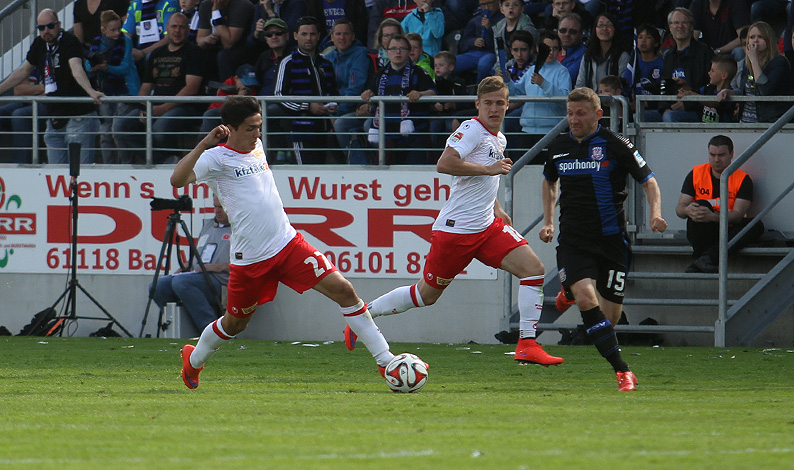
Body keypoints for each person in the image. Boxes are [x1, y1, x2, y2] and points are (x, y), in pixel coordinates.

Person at [172, 95, 396, 389]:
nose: (257, 133)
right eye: (250, 128)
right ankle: (193, 360)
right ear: (230, 129)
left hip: (287, 244)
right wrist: (204, 144)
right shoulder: (215, 158)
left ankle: (386, 361)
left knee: (344, 290)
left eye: (259, 126)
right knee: (235, 323)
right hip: (250, 258)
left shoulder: (257, 146)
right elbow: (177, 180)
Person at [345, 76, 564, 367]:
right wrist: (489, 169)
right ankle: (363, 316)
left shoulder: (499, 138)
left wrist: (496, 207)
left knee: (533, 270)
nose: (494, 109)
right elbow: (445, 163)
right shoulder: (471, 129)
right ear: (477, 105)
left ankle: (527, 345)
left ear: (508, 105)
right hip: (456, 232)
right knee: (425, 295)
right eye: (488, 103)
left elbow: (479, 181)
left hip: (486, 227)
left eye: (500, 103)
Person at [540, 87, 667, 391]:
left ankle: (569, 291)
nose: (574, 119)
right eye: (570, 114)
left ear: (598, 114)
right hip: (574, 240)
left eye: (581, 113)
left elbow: (649, 182)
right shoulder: (558, 146)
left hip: (612, 241)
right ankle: (623, 371)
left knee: (608, 320)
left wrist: (655, 214)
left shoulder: (617, 144)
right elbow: (549, 182)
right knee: (587, 298)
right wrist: (548, 221)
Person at [0, 9, 104, 164]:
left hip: (79, 116)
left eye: (50, 26)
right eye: (41, 28)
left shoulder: (70, 41)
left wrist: (90, 91)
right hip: (55, 117)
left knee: (80, 171)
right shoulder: (39, 44)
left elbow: (76, 67)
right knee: (56, 172)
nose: (46, 31)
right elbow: (24, 70)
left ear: (59, 25)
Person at [114, 12, 204, 164]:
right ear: (167, 28)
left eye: (182, 27)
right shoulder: (156, 53)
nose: (177, 31)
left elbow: (191, 88)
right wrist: (144, 107)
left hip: (185, 106)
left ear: (188, 30)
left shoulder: (194, 52)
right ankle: (165, 161)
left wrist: (162, 109)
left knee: (160, 128)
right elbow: (146, 87)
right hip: (155, 106)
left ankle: (171, 163)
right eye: (174, 27)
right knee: (120, 127)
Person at [675, 135, 765, 273]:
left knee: (756, 225)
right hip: (703, 230)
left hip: (728, 231)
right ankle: (706, 258)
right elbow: (680, 209)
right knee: (700, 204)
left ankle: (705, 259)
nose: (716, 160)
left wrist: (712, 217)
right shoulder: (696, 174)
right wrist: (688, 210)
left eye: (721, 155)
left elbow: (737, 215)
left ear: (731, 155)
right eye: (712, 155)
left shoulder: (742, 179)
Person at [150, 196, 232, 330]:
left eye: (221, 207)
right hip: (198, 276)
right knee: (158, 286)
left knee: (182, 282)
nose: (217, 211)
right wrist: (186, 266)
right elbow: (199, 255)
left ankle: (212, 330)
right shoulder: (208, 225)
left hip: (221, 280)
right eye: (215, 206)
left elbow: (248, 265)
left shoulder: (240, 229)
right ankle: (178, 327)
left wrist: (216, 267)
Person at [359, 34, 437, 164]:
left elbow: (434, 93)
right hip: (387, 135)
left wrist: (421, 94)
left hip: (414, 135)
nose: (398, 52)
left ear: (409, 51)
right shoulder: (380, 74)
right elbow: (371, 93)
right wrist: (368, 94)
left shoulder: (419, 72)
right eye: (393, 48)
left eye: (402, 48)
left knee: (415, 173)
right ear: (387, 51)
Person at [274, 16, 340, 164]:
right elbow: (279, 96)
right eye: (304, 34)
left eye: (312, 34)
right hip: (300, 130)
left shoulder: (326, 63)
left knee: (323, 175)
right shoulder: (288, 63)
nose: (308, 38)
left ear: (318, 36)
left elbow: (334, 92)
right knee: (305, 173)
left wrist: (333, 105)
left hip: (325, 130)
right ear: (295, 36)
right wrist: (308, 106)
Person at [503, 30, 570, 162]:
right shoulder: (531, 70)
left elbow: (566, 99)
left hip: (552, 131)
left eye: (555, 48)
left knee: (550, 170)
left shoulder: (562, 72)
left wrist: (543, 83)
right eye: (547, 48)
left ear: (559, 50)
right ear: (539, 49)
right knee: (526, 170)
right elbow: (517, 92)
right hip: (527, 131)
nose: (551, 52)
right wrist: (508, 81)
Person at [85, 10, 141, 164]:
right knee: (105, 132)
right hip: (105, 91)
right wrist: (94, 64)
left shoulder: (126, 41)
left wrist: (106, 67)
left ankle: (125, 165)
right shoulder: (97, 44)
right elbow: (88, 66)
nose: (117, 33)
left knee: (117, 130)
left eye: (119, 28)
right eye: (113, 30)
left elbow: (124, 68)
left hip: (126, 91)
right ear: (103, 30)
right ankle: (108, 166)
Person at [718, 21, 792, 123]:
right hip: (745, 122)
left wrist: (754, 61)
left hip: (769, 123)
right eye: (752, 37)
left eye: (760, 37)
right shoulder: (748, 64)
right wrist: (730, 92)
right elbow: (750, 90)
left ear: (769, 39)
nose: (755, 40)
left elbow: (764, 90)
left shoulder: (779, 62)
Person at [654, 7, 714, 122]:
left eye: (684, 22)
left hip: (698, 111)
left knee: (670, 117)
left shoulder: (704, 52)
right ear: (670, 28)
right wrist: (664, 108)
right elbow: (664, 86)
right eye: (676, 23)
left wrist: (687, 104)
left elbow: (711, 87)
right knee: (639, 117)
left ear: (691, 27)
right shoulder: (668, 56)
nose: (680, 26)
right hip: (671, 109)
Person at [197, 0, 255, 82]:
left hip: (244, 47)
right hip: (218, 47)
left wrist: (215, 13)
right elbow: (200, 41)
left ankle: (228, 88)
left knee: (224, 56)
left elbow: (228, 44)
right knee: (197, 53)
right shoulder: (206, 5)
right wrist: (207, 39)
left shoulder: (242, 5)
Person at [575, 13, 630, 90]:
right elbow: (580, 83)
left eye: (609, 25)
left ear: (615, 29)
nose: (604, 28)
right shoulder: (588, 55)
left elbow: (624, 84)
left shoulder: (622, 55)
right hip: (590, 97)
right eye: (600, 25)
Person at [200, 64, 260, 134]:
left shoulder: (251, 88)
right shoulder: (226, 86)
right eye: (245, 83)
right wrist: (239, 98)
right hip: (220, 117)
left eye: (251, 84)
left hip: (240, 117)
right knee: (211, 114)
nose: (248, 86)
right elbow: (225, 109)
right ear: (236, 78)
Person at [678, 54, 737, 123]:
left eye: (712, 71)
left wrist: (691, 94)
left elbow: (713, 103)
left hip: (721, 129)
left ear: (724, 75)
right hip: (704, 127)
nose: (709, 73)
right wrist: (684, 85)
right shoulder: (709, 88)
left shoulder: (728, 93)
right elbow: (696, 92)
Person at [456, 0, 502, 84]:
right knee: (451, 63)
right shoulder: (476, 19)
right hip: (475, 53)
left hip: (494, 53)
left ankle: (480, 88)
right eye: (483, 4)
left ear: (497, 2)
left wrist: (490, 28)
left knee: (484, 64)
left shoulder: (503, 19)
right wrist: (473, 41)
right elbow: (463, 43)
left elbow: (502, 41)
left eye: (490, 3)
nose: (487, 7)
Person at [624, 23, 664, 116]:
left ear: (656, 43)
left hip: (656, 110)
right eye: (640, 37)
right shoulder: (633, 63)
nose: (643, 40)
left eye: (648, 37)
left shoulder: (662, 64)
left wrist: (647, 104)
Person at [492, 0, 538, 74]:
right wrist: (499, 68)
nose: (511, 8)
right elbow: (499, 53)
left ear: (521, 9)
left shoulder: (528, 28)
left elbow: (529, 55)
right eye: (507, 5)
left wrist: (508, 66)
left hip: (527, 64)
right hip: (509, 62)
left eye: (515, 5)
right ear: (502, 10)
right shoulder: (498, 28)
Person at [557, 12, 586, 87]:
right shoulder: (553, 52)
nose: (567, 34)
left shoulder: (584, 55)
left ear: (581, 35)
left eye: (572, 32)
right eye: (563, 30)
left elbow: (564, 80)